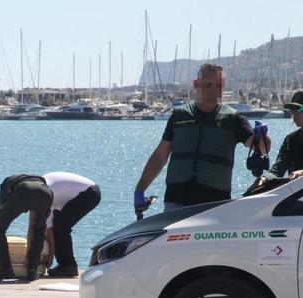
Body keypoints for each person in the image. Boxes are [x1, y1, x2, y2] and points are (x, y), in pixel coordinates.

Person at [134, 63, 271, 214]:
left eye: (218, 85)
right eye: (208, 84)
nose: (214, 89)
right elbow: (160, 156)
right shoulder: (179, 116)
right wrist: (140, 190)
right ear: (196, 84)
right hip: (176, 202)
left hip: (215, 205)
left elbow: (262, 148)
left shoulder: (233, 119)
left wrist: (263, 136)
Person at [0, 175, 53, 282]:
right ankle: (32, 270)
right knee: (39, 229)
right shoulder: (40, 182)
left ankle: (5, 269)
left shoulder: (6, 183)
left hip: (23, 190)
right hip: (45, 192)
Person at [42, 172, 101, 278]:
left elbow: (49, 230)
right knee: (60, 225)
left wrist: (50, 256)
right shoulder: (41, 187)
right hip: (87, 191)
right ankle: (65, 265)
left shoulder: (44, 196)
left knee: (60, 226)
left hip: (89, 193)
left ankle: (68, 266)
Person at [260, 91, 303, 182]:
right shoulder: (290, 140)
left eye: (298, 110)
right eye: (292, 111)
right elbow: (277, 170)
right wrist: (264, 179)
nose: (294, 116)